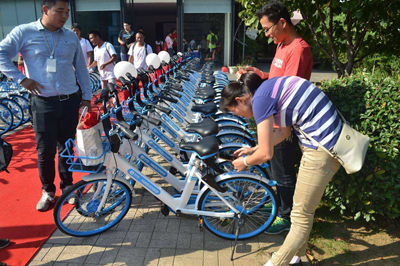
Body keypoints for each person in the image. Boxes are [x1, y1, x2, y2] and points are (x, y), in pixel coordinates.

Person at [220, 73, 342, 266]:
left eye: (233, 111)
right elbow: (283, 132)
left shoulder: (260, 100)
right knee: (303, 212)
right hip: (322, 143)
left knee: (300, 215)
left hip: (322, 147)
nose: (236, 114)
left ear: (240, 100)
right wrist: (253, 150)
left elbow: (267, 154)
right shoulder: (267, 90)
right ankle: (297, 258)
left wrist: (246, 161)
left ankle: (276, 263)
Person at [0, 0, 92, 211]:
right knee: (45, 150)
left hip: (70, 101)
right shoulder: (24, 32)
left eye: (67, 12)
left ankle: (68, 187)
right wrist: (20, 79)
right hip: (42, 103)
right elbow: (1, 53)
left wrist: (86, 97)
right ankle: (48, 191)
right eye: (60, 11)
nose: (64, 16)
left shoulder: (70, 36)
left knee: (67, 148)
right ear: (45, 10)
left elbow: (81, 68)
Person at [237, 0, 313, 235]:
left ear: (282, 22)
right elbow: (279, 78)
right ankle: (279, 207)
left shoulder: (299, 49)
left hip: (283, 121)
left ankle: (286, 217)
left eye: (268, 29)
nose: (268, 35)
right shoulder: (281, 46)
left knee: (283, 171)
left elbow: (290, 90)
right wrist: (261, 75)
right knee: (274, 168)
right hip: (273, 116)